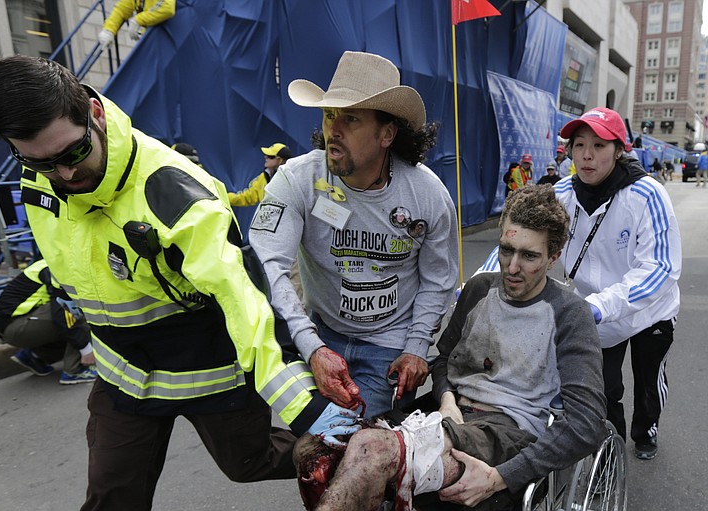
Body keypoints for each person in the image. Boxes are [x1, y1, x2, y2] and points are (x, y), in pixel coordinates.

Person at [0, 55, 359, 511]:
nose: (63, 175)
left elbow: (242, 297)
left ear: (95, 115)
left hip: (208, 368)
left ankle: (346, 455)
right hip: (125, 374)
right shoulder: (39, 179)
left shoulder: (172, 191)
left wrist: (306, 407)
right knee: (112, 494)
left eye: (73, 154)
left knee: (248, 462)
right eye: (39, 162)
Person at [294, 185, 607, 511]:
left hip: (508, 432)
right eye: (506, 249)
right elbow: (444, 359)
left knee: (372, 452)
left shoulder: (569, 314)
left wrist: (500, 478)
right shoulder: (479, 290)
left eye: (529, 256)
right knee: (312, 452)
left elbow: (586, 423)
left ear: (553, 257)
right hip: (448, 415)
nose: (512, 267)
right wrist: (446, 399)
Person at [248, 51, 459, 419]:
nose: (334, 129)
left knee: (363, 455)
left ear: (387, 134)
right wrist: (311, 347)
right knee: (317, 453)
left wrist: (414, 347)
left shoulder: (428, 196)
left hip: (390, 345)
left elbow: (438, 280)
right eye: (329, 115)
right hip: (319, 332)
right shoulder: (296, 180)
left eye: (351, 119)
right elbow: (266, 266)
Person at [481, 107, 681, 461]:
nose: (587, 155)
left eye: (599, 145)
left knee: (648, 383)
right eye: (579, 144)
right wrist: (479, 283)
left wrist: (601, 305)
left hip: (649, 310)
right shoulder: (559, 193)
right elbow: (516, 235)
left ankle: (646, 429)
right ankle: (609, 458)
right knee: (601, 390)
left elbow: (661, 267)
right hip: (593, 313)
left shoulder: (647, 195)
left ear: (619, 150)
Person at [0, 259, 97, 385]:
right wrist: (86, 350)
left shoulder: (54, 261)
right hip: (16, 327)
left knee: (68, 316)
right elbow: (63, 315)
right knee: (78, 310)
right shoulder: (59, 270)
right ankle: (75, 371)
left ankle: (36, 357)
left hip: (14, 326)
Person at [228, 143, 293, 207]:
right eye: (266, 155)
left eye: (270, 156)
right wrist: (224, 197)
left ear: (280, 160)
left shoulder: (292, 178)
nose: (266, 157)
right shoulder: (263, 177)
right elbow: (248, 197)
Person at [97, 0, 175, 49]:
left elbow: (167, 6)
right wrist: (108, 30)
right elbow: (121, 10)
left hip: (170, 39)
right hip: (152, 41)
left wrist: (137, 20)